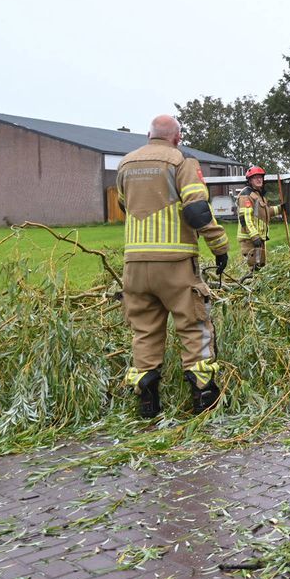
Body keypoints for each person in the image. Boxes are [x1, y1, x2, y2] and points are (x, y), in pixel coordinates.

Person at [116, 115, 230, 417]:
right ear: (177, 138)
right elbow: (197, 210)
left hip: (135, 266)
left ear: (148, 135)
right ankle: (204, 398)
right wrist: (220, 247)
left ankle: (147, 405)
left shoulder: (126, 164)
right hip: (176, 264)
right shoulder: (182, 162)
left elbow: (123, 205)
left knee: (144, 332)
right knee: (194, 326)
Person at [237, 166, 275, 272]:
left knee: (260, 266)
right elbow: (246, 217)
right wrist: (254, 236)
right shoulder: (246, 195)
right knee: (252, 267)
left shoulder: (258, 195)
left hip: (259, 238)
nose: (259, 179)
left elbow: (266, 212)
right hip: (249, 239)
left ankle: (257, 287)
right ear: (249, 180)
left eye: (260, 177)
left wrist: (280, 209)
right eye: (255, 177)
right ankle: (249, 287)